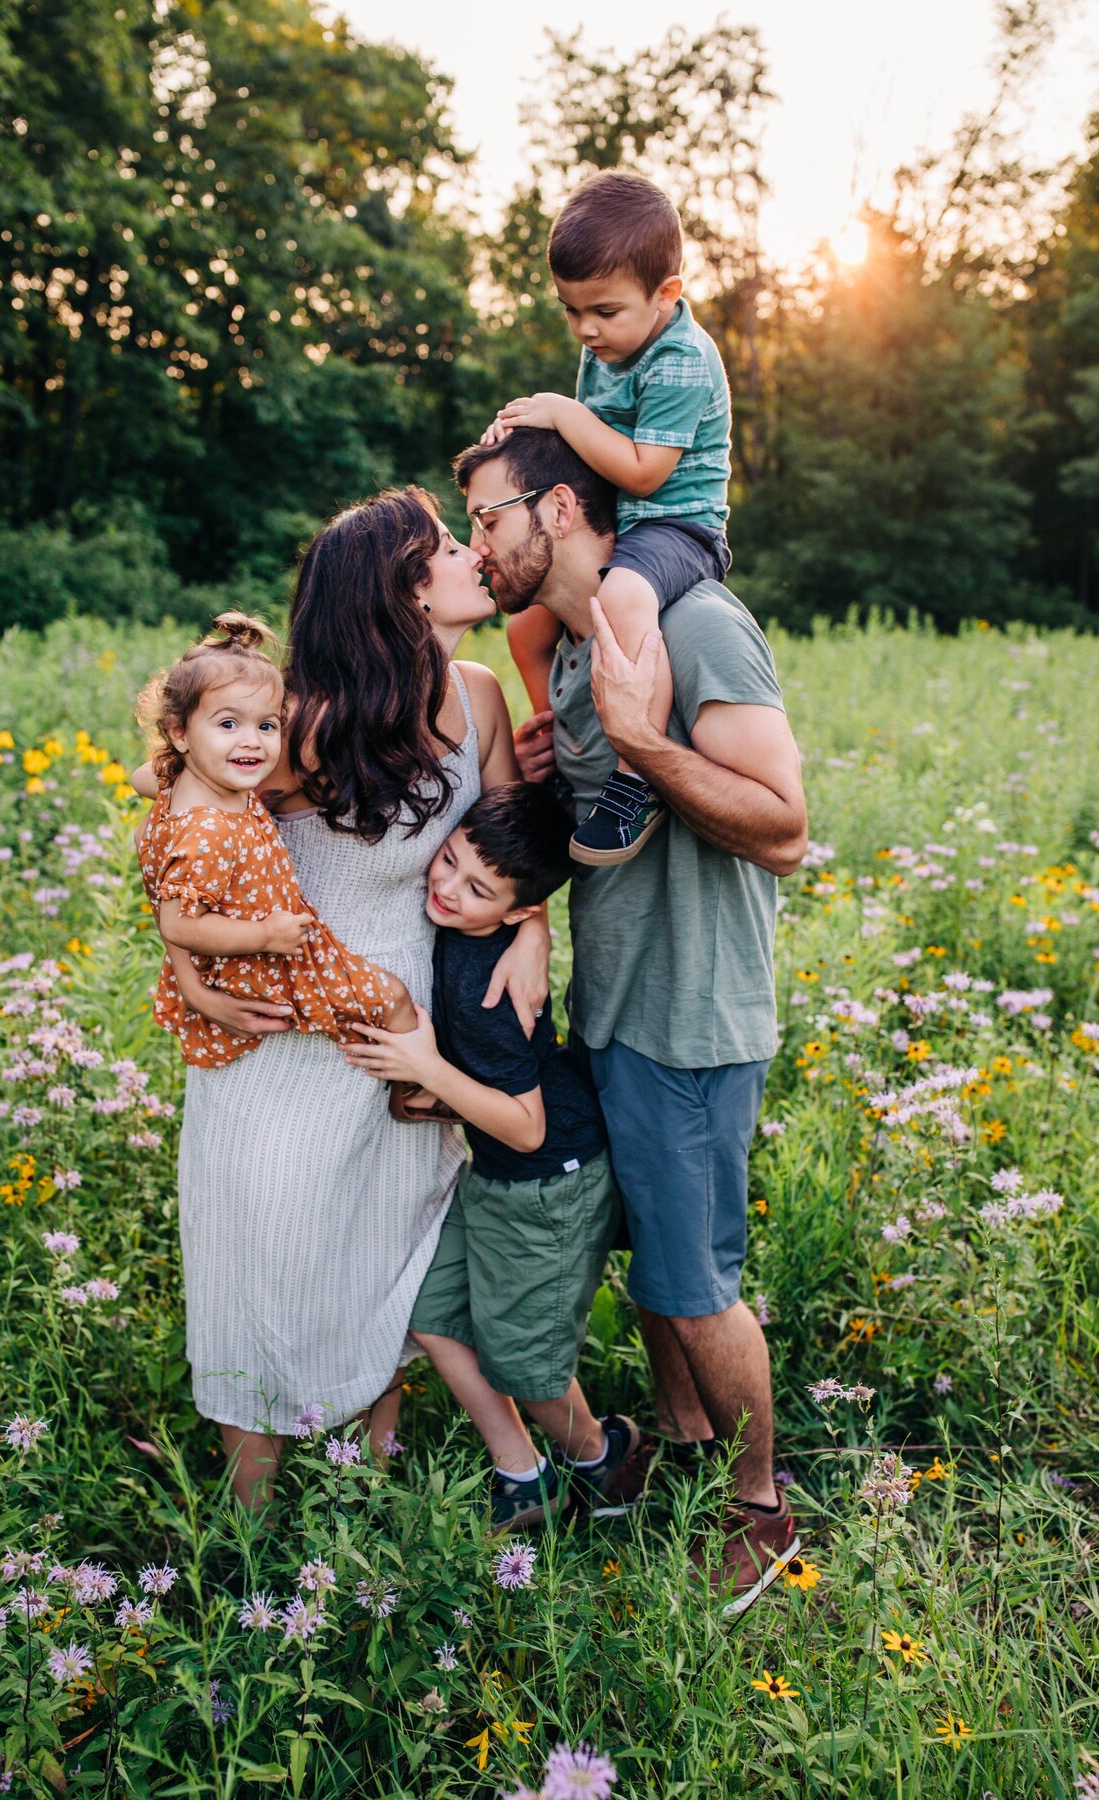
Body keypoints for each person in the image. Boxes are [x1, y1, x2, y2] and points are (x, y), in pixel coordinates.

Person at [454, 428, 809, 1617]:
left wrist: (648, 739)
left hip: (691, 1015)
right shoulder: (563, 652)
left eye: (490, 516)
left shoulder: (699, 626)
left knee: (695, 1281)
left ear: (556, 508)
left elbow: (784, 827)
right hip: (614, 1005)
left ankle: (761, 1507)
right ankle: (690, 1456)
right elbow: (597, 827)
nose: (477, 543)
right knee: (651, 1269)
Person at [146, 489, 550, 1510]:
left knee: (385, 1250)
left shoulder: (481, 694)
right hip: (284, 1029)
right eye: (449, 547)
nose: (473, 556)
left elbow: (506, 843)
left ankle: (365, 1490)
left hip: (400, 1020)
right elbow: (184, 835)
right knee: (270, 1255)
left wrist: (535, 929)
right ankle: (245, 1534)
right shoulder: (305, 727)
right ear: (402, 591)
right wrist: (190, 971)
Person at [340, 782, 640, 1530]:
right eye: (447, 861)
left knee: (527, 1366)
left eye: (477, 889)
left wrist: (428, 1072)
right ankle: (522, 1471)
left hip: (547, 1181)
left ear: (514, 911)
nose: (446, 887)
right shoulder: (469, 926)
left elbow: (528, 1127)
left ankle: (602, 1465)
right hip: (500, 1171)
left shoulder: (493, 990)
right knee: (434, 1312)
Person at [483, 170, 733, 867]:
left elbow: (644, 470)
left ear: (666, 295)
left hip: (678, 527)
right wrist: (523, 440)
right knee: (529, 620)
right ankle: (565, 742)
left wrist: (564, 412)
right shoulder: (609, 344)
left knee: (621, 596)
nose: (586, 329)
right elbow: (585, 452)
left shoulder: (681, 359)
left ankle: (633, 781)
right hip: (621, 519)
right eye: (571, 311)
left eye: (604, 311)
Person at [133, 612, 418, 1070]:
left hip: (259, 947)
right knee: (394, 999)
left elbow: (140, 779)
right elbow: (180, 926)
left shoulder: (194, 784)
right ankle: (417, 1087)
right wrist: (266, 934)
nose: (252, 742)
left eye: (267, 726)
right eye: (228, 725)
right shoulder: (207, 829)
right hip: (263, 959)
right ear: (179, 732)